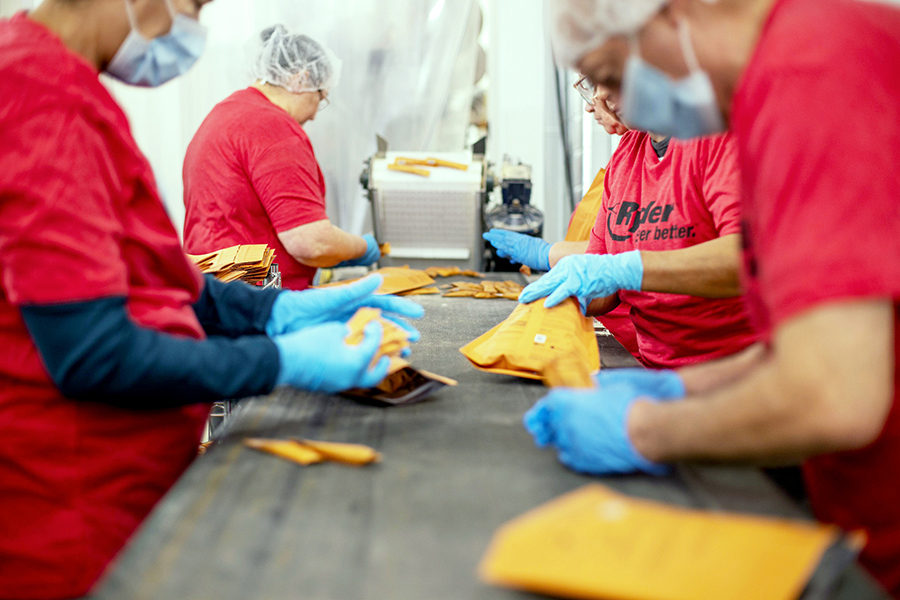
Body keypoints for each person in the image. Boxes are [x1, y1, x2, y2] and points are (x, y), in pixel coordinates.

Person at [0, 1, 423, 598]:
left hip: (122, 488)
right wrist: (279, 361)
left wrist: (272, 312)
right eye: (194, 5)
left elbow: (150, 276)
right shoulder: (40, 101)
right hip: (74, 520)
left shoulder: (65, 83)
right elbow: (94, 354)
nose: (192, 25)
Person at [528, 0, 900, 593]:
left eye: (615, 75)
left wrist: (645, 429)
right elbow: (812, 340)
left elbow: (834, 394)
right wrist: (682, 388)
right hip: (855, 524)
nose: (616, 103)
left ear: (673, 15)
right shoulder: (771, 91)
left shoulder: (812, 68)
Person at [488, 80, 756, 369]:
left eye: (610, 75)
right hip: (652, 368)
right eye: (590, 83)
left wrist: (627, 269)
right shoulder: (627, 154)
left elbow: (747, 261)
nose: (600, 96)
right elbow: (602, 278)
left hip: (735, 374)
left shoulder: (717, 138)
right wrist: (564, 298)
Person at [183, 25, 378, 291]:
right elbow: (309, 242)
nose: (314, 115)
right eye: (321, 97)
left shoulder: (224, 114)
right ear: (300, 79)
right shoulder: (273, 127)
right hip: (257, 298)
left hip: (216, 290)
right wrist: (361, 247)